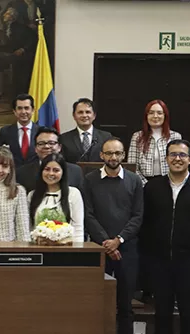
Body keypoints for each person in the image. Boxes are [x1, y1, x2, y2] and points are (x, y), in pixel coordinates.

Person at [140, 139, 190, 334]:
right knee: (162, 312)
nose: (177, 158)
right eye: (173, 154)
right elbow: (143, 222)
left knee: (188, 312)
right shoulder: (152, 188)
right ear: (167, 159)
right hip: (159, 261)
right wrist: (148, 255)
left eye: (182, 155)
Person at [83, 138, 143, 334]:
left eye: (117, 153)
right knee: (98, 301)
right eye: (109, 153)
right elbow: (88, 214)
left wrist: (118, 241)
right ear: (101, 155)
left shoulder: (134, 180)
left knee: (125, 304)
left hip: (127, 249)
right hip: (99, 250)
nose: (113, 157)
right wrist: (106, 243)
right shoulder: (90, 180)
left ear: (123, 155)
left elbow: (138, 215)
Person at [28, 153, 84, 240]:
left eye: (56, 170)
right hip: (38, 248)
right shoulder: (32, 195)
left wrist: (77, 250)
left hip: (67, 249)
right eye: (47, 169)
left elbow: (78, 228)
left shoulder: (73, 194)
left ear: (63, 172)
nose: (51, 173)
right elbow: (29, 227)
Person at [128, 99, 182, 185]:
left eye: (159, 113)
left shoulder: (175, 136)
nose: (155, 116)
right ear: (146, 116)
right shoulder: (137, 136)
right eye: (151, 113)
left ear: (165, 116)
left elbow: (179, 163)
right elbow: (132, 166)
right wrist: (145, 185)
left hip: (168, 183)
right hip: (144, 183)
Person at [16, 127, 84, 193]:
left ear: (59, 147)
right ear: (35, 148)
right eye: (41, 143)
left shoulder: (75, 171)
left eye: (51, 143)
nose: (46, 146)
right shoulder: (22, 173)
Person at [60, 98, 113, 164]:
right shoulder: (64, 138)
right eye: (80, 112)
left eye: (88, 112)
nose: (84, 115)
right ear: (74, 116)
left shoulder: (106, 137)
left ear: (94, 116)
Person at [0, 94, 39, 167]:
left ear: (32, 110)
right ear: (14, 111)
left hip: (35, 175)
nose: (23, 112)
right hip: (13, 175)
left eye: (26, 108)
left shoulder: (41, 132)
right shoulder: (5, 131)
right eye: (19, 108)